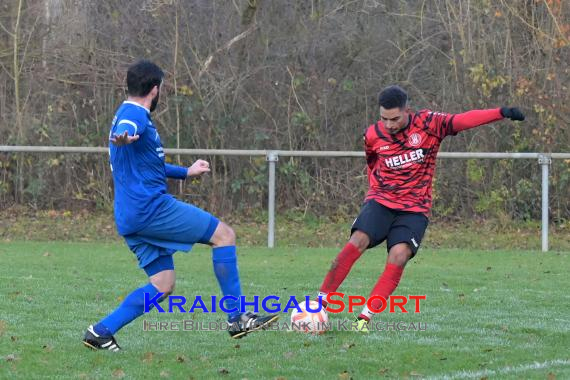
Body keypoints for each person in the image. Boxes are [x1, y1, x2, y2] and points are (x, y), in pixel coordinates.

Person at [83, 60, 277, 351]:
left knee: (162, 284)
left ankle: (100, 332)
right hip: (151, 210)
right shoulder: (133, 115)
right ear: (154, 89)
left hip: (130, 216)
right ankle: (238, 318)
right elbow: (126, 128)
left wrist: (186, 172)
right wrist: (123, 137)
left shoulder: (127, 113)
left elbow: (152, 165)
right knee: (224, 235)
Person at [316, 85, 525, 331]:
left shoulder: (429, 124)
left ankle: (363, 320)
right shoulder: (372, 135)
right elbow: (372, 163)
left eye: (395, 118)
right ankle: (318, 305)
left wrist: (501, 112)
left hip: (414, 208)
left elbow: (463, 120)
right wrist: (376, 191)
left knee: (399, 256)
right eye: (384, 119)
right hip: (381, 200)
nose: (390, 124)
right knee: (357, 240)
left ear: (408, 111)